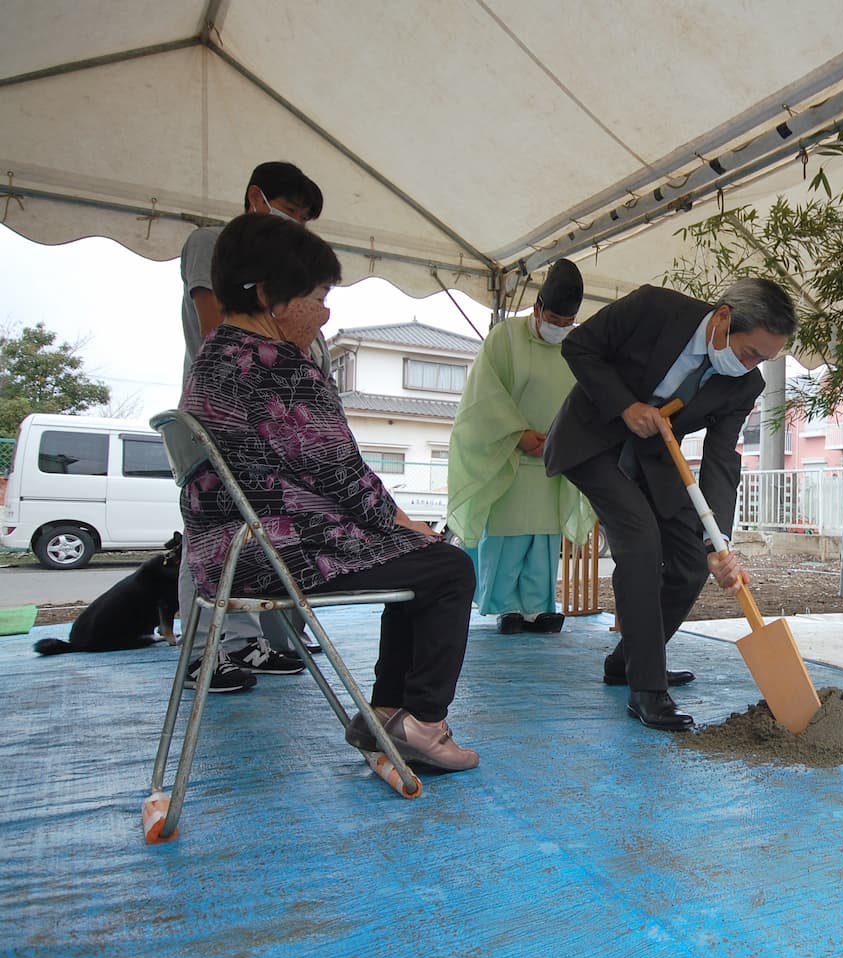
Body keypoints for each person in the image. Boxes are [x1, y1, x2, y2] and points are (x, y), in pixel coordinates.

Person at [180, 213, 480, 771]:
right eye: (317, 296)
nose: (326, 312)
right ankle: (422, 723)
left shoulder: (214, 357)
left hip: (222, 553)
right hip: (275, 549)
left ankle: (389, 715)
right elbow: (339, 471)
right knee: (448, 566)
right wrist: (398, 520)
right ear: (269, 295)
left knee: (419, 564)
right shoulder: (280, 367)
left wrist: (396, 529)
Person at [544, 278, 797, 731]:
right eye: (749, 351)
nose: (752, 365)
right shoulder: (654, 308)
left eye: (765, 359)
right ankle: (647, 688)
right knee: (640, 542)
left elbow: (722, 461)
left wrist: (717, 541)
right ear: (722, 318)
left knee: (689, 561)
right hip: (593, 441)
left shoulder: (743, 386)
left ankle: (630, 659)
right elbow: (580, 346)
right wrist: (625, 407)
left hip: (656, 458)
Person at [176, 161, 324, 692]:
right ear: (255, 197)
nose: (296, 225)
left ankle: (249, 643)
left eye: (304, 220)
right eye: (289, 211)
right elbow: (221, 334)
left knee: (257, 535)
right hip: (222, 421)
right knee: (215, 531)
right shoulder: (211, 242)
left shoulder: (284, 274)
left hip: (270, 430)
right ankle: (203, 650)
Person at [446, 260, 596, 635]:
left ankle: (539, 606)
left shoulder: (574, 349)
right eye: (554, 320)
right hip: (509, 457)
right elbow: (485, 396)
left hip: (551, 457)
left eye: (568, 323)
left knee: (544, 538)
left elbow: (584, 397)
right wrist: (518, 434)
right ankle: (505, 606)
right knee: (508, 535)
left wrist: (561, 437)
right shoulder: (505, 337)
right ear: (537, 309)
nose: (560, 329)